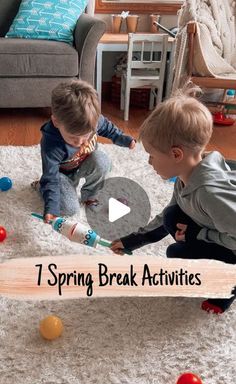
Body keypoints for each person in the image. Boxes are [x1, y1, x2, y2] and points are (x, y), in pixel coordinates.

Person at [111, 87, 236, 314]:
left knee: (180, 255)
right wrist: (132, 241)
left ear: (176, 154)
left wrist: (201, 235)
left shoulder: (209, 193)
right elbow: (165, 216)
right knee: (173, 223)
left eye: (152, 155)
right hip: (216, 226)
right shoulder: (185, 177)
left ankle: (226, 289)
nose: (149, 162)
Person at [32, 80, 136, 224]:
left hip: (83, 165)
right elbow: (52, 178)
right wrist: (52, 208)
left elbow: (109, 129)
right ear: (56, 122)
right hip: (60, 177)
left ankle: (90, 196)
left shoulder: (93, 120)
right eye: (73, 138)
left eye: (87, 135)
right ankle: (40, 186)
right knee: (70, 209)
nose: (81, 142)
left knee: (102, 161)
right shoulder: (51, 145)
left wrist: (125, 139)